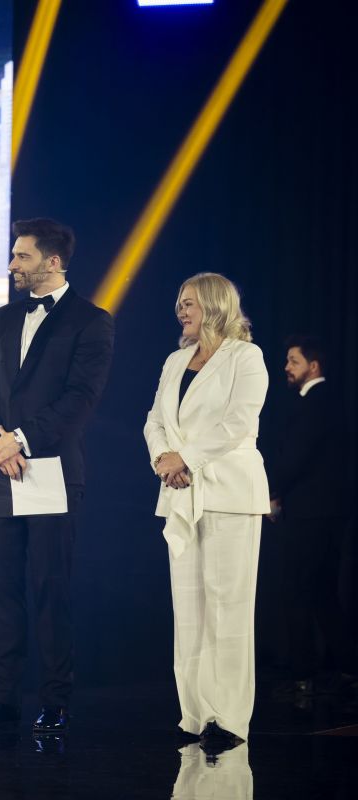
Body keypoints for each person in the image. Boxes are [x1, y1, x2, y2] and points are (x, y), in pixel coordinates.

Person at [0, 218, 114, 734]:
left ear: (53, 262)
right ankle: (2, 699)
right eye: (13, 255)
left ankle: (55, 700)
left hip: (49, 467)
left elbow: (80, 399)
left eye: (21, 256)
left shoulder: (91, 321)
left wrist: (21, 440)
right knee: (2, 588)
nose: (12, 265)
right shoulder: (3, 318)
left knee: (50, 587)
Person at [143, 272, 269, 745]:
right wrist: (164, 459)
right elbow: (154, 420)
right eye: (179, 302)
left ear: (215, 306)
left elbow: (239, 421)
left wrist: (186, 459)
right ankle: (195, 715)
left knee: (227, 607)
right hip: (181, 492)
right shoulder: (175, 360)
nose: (181, 309)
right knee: (190, 609)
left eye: (190, 302)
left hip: (229, 493)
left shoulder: (246, 357)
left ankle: (229, 718)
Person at [267, 335, 350, 694]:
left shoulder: (314, 402)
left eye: (293, 361)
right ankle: (347, 666)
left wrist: (270, 493)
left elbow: (294, 458)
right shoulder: (327, 401)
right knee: (322, 592)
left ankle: (302, 675)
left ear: (313, 367)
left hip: (309, 515)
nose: (286, 367)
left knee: (296, 591)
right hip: (327, 515)